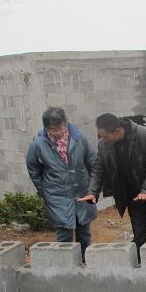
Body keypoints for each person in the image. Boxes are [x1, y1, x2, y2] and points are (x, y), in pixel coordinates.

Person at [79, 113, 146, 253]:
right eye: (101, 136)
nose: (102, 139)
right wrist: (92, 191)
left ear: (117, 131)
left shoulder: (143, 135)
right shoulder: (104, 145)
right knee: (139, 236)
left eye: (105, 136)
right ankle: (141, 262)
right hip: (132, 192)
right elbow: (99, 168)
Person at [26, 107, 97, 257]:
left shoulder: (79, 138)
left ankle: (85, 262)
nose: (57, 132)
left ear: (66, 124)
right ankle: (65, 265)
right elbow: (33, 169)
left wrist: (93, 189)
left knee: (84, 232)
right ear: (46, 128)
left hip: (82, 192)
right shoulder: (38, 144)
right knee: (64, 235)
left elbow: (93, 163)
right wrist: (46, 192)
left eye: (60, 128)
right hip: (57, 196)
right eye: (53, 129)